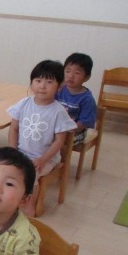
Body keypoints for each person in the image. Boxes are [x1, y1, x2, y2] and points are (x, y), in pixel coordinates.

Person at [7, 60, 76, 217]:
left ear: (59, 86)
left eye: (49, 82)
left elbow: (59, 141)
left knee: (30, 174)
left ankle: (30, 205)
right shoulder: (23, 103)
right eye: (38, 81)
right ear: (31, 83)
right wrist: (12, 152)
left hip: (46, 158)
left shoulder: (58, 111)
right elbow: (14, 129)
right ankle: (12, 200)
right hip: (22, 153)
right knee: (4, 168)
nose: (42, 86)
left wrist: (43, 159)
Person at [55, 53, 97, 146]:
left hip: (77, 131)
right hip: (58, 127)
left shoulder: (87, 99)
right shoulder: (59, 90)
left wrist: (67, 130)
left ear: (87, 77)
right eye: (67, 71)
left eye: (77, 73)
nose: (70, 76)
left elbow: (83, 123)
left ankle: (58, 155)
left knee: (60, 139)